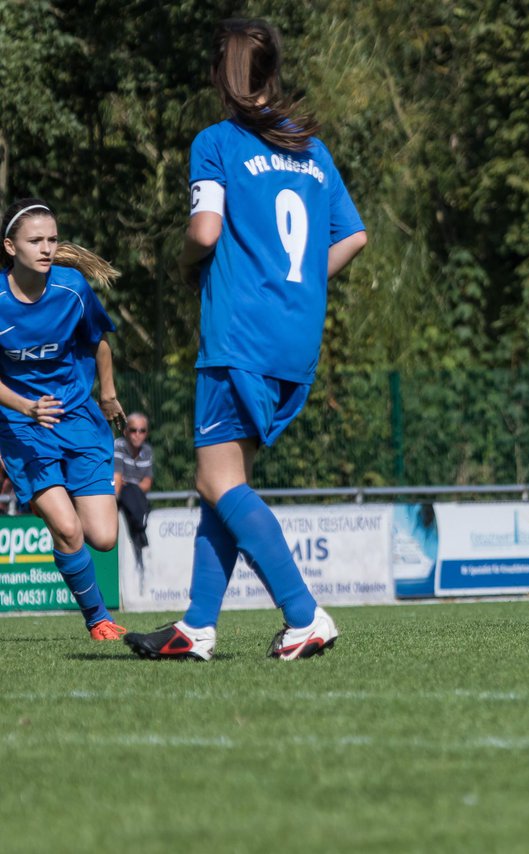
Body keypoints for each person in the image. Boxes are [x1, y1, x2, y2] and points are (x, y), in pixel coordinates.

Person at [124, 18, 366, 661]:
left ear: (219, 76)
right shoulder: (313, 151)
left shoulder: (217, 142)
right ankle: (198, 627)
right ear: (271, 73)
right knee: (223, 481)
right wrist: (302, 286)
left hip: (239, 333)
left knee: (217, 481)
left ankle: (304, 614)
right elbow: (354, 236)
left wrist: (181, 266)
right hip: (295, 338)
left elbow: (204, 233)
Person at [0, 199, 128, 640]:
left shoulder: (72, 288)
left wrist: (108, 397)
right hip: (22, 426)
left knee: (104, 537)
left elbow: (100, 343)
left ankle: (51, 498)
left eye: (52, 239)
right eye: (36, 240)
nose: (47, 248)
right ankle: (99, 620)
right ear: (10, 246)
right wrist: (24, 407)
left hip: (78, 419)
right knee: (69, 529)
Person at [114, 411, 154, 551]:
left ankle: (140, 529)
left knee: (132, 491)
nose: (137, 434)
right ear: (125, 432)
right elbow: (117, 482)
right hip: (119, 497)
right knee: (128, 491)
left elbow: (147, 484)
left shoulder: (147, 451)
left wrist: (130, 485)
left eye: (142, 431)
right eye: (133, 430)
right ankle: (140, 529)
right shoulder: (118, 446)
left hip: (136, 497)